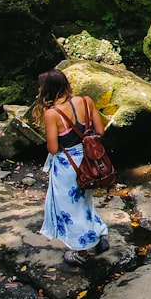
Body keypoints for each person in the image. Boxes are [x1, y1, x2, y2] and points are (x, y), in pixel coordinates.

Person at [32, 68, 111, 266]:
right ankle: (100, 237)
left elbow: (52, 148)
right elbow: (100, 130)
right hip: (90, 161)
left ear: (47, 90)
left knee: (71, 208)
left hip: (69, 166)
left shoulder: (52, 114)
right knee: (85, 202)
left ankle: (81, 253)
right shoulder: (86, 101)